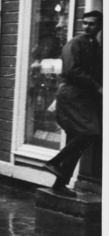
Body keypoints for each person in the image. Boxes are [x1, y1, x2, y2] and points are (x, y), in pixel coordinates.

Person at [43, 10, 102, 196]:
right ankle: (54, 162)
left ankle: (59, 185)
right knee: (90, 133)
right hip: (72, 94)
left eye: (91, 24)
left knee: (75, 140)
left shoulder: (95, 46)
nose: (87, 27)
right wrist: (97, 86)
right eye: (84, 23)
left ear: (100, 26)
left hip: (83, 97)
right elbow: (71, 69)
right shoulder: (75, 43)